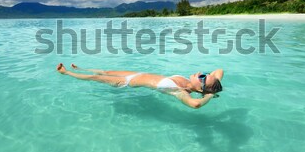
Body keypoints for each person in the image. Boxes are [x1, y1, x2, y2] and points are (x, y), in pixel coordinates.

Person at [56, 63, 223, 109]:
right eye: (203, 73)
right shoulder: (189, 82)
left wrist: (208, 95)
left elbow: (195, 105)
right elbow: (219, 71)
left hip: (127, 83)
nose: (200, 72)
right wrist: (211, 89)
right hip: (136, 73)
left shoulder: (180, 92)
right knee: (106, 70)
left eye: (202, 77)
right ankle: (79, 68)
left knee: (96, 77)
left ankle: (66, 73)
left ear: (200, 88)